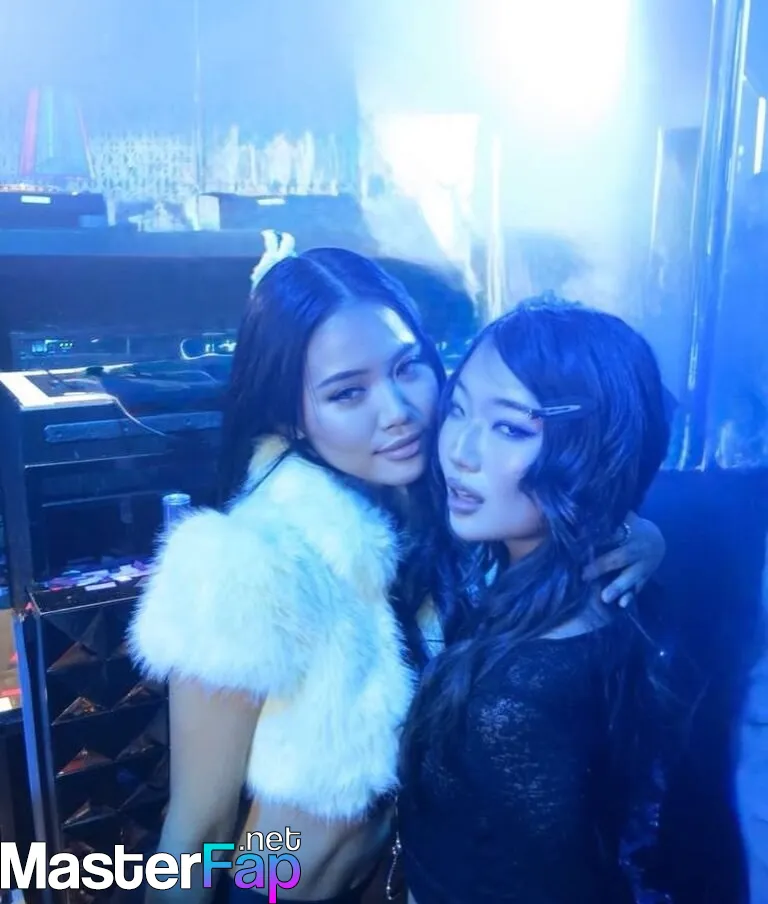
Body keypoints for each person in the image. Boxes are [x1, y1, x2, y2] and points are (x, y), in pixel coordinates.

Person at [127, 235, 666, 904]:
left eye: (408, 368)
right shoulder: (245, 564)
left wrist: (637, 532)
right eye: (348, 393)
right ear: (292, 418)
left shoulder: (453, 509)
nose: (400, 413)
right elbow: (195, 830)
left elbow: (578, 475)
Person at [397, 296, 672, 904]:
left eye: (511, 428)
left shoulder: (514, 699)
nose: (459, 451)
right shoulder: (605, 586)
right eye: (458, 409)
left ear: (591, 454)